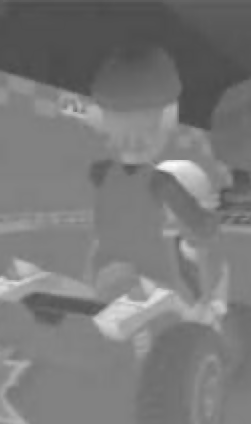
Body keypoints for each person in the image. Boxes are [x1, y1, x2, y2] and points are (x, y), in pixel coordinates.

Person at [78, 44, 220, 304]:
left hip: (103, 273)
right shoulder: (161, 183)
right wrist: (213, 213)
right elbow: (203, 228)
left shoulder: (99, 172)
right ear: (168, 118)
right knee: (194, 302)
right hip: (149, 279)